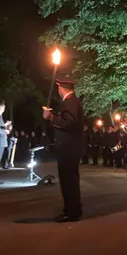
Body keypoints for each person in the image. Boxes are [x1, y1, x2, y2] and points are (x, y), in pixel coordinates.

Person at [43, 78, 84, 222]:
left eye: (58, 87)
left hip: (68, 148)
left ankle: (72, 212)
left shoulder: (70, 102)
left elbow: (69, 124)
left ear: (62, 88)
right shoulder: (71, 102)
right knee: (68, 181)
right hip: (68, 148)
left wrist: (52, 118)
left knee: (69, 182)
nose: (58, 90)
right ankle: (70, 210)